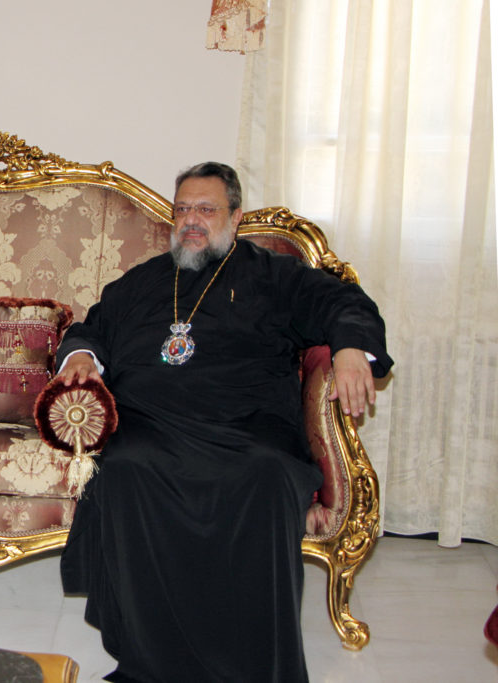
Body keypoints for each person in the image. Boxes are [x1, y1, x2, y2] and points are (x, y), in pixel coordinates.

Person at [56, 162, 392, 682]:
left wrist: (349, 348)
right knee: (124, 468)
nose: (191, 220)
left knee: (265, 475)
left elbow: (343, 300)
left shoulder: (275, 276)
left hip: (248, 427)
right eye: (182, 209)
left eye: (206, 209)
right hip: (152, 425)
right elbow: (91, 328)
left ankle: (253, 666)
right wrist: (81, 356)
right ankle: (150, 659)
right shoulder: (144, 281)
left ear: (235, 217)